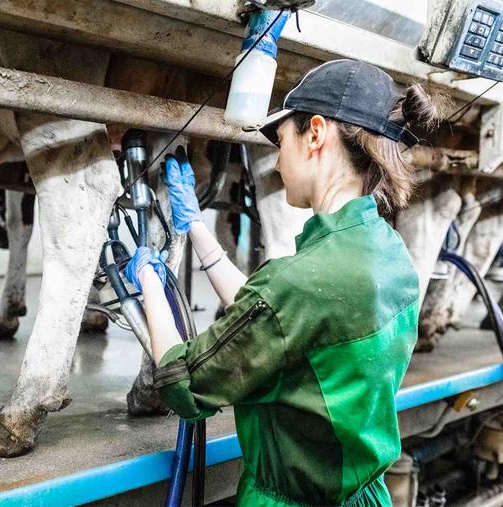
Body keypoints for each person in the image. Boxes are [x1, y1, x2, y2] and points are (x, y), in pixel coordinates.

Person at [125, 60, 443, 506]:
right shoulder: (389, 256)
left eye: (281, 140)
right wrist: (197, 231)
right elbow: (281, 326)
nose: (276, 161)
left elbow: (184, 381)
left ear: (315, 133)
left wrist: (147, 282)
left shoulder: (298, 283)